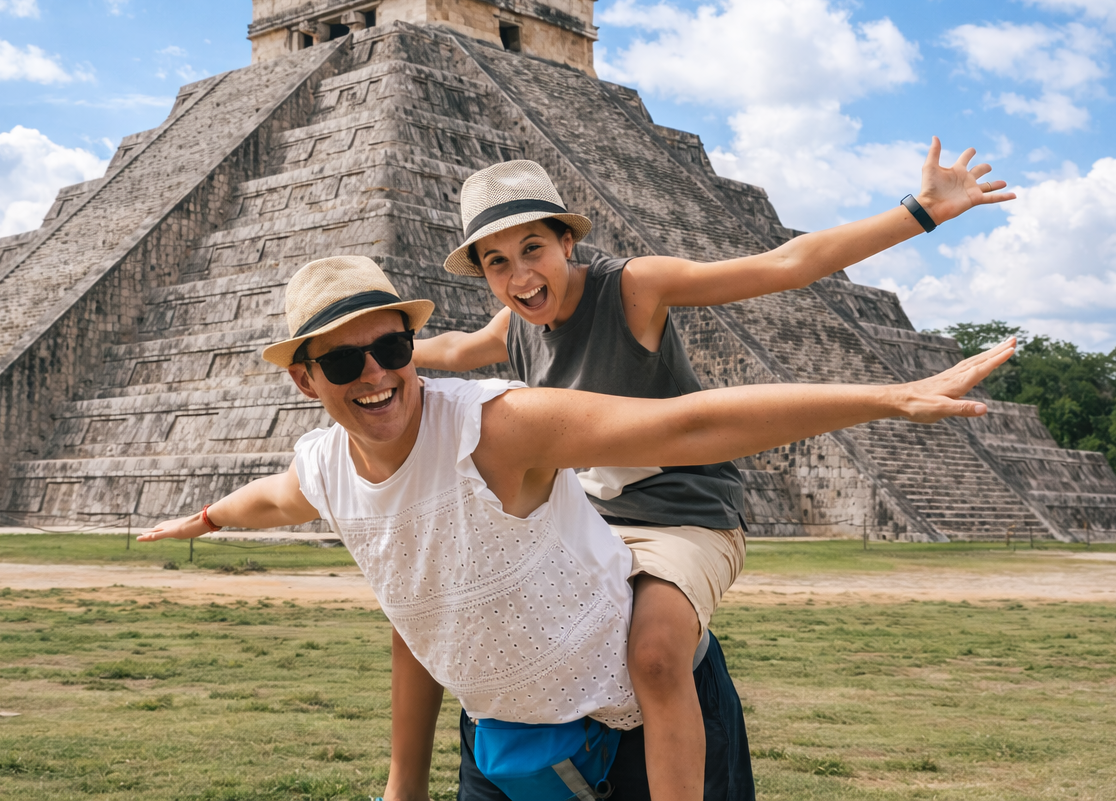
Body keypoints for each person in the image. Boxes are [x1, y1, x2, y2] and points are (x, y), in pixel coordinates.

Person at [138, 254, 1015, 801]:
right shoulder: (326, 467)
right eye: (341, 361)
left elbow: (685, 427)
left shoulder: (497, 426)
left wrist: (890, 399)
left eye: (393, 349)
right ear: (304, 380)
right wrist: (205, 518)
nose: (375, 375)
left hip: (631, 734)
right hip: (502, 746)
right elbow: (272, 500)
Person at [406, 141, 1014, 799]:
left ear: (567, 243)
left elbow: (785, 265)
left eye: (533, 249)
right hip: (587, 521)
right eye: (497, 262)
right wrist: (376, 353)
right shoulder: (515, 325)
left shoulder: (632, 288)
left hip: (681, 514)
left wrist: (920, 211)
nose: (520, 275)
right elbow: (454, 349)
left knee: (654, 655)